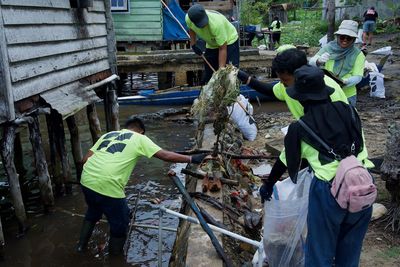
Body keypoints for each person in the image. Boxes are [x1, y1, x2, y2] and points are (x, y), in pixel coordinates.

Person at [260, 65, 374, 266]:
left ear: (300, 98)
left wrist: (269, 184)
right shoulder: (350, 111)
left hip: (329, 192)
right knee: (350, 251)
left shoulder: (300, 128)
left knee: (319, 252)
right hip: (362, 184)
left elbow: (288, 163)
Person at [76, 117, 207, 255]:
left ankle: (79, 248)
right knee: (120, 226)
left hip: (87, 180)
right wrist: (192, 158)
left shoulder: (108, 135)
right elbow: (165, 155)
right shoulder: (140, 138)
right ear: (141, 131)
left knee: (93, 211)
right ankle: (114, 259)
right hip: (108, 185)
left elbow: (85, 160)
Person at [238, 48, 348, 120]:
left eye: (284, 80)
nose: (281, 83)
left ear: (299, 75)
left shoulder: (327, 92)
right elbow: (270, 90)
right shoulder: (289, 85)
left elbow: (339, 128)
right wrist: (244, 77)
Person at [309, 20, 365, 107]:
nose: (345, 40)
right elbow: (311, 62)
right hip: (328, 91)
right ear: (337, 36)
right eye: (342, 37)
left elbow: (358, 76)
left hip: (347, 94)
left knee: (346, 119)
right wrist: (318, 60)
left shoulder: (358, 54)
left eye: (349, 38)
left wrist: (346, 81)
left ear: (354, 39)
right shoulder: (328, 48)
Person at [186, 4, 239, 84]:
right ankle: (212, 91)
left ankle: (230, 90)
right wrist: (193, 44)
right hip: (212, 43)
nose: (204, 25)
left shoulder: (216, 24)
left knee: (230, 72)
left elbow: (222, 48)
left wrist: (221, 70)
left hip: (229, 41)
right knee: (210, 73)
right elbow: (191, 28)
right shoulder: (188, 19)